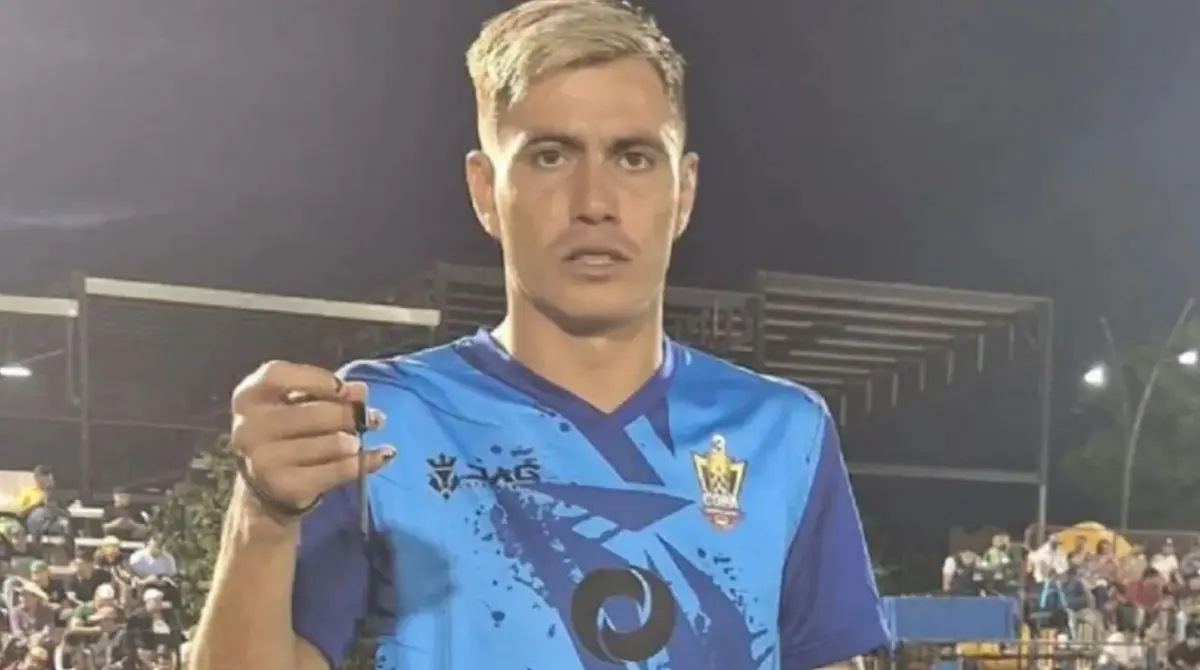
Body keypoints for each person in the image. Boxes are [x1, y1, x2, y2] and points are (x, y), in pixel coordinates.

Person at [189, 1, 890, 669]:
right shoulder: (383, 419)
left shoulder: (781, 432)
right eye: (550, 156)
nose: (594, 203)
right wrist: (263, 516)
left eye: (634, 158)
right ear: (484, 190)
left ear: (683, 192)